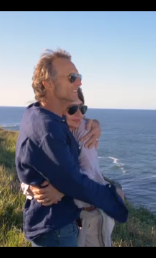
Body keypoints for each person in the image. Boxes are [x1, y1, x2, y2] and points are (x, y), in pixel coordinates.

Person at [15, 48, 128, 247]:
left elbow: (73, 176)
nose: (79, 81)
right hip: (55, 225)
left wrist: (62, 189)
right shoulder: (50, 129)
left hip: (70, 220)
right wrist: (113, 198)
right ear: (48, 84)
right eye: (71, 77)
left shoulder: (37, 114)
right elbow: (73, 180)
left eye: (82, 109)